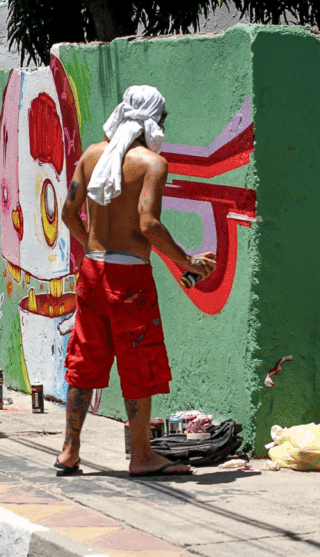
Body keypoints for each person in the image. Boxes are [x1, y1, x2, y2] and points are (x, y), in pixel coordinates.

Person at [57, 85, 217, 478]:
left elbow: (68, 213)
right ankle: (142, 455)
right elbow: (147, 224)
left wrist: (95, 249)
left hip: (92, 272)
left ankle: (69, 451)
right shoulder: (151, 164)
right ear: (155, 122)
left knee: (84, 360)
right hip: (128, 278)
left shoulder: (90, 157)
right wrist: (187, 261)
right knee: (138, 361)